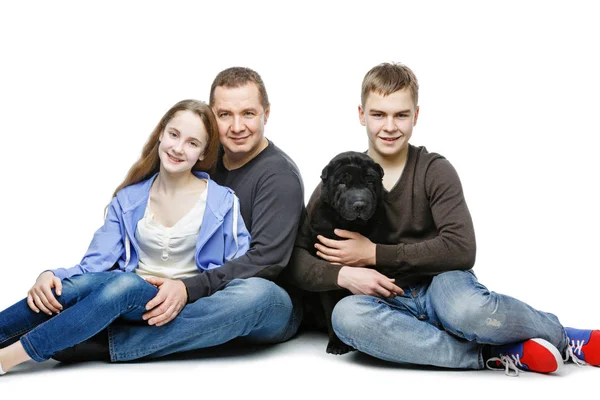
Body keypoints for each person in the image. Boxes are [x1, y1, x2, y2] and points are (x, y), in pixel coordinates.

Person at [286, 62, 599, 376]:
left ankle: (565, 338)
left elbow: (461, 248)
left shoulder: (434, 170)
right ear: (361, 114)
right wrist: (342, 276)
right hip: (382, 300)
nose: (390, 126)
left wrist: (373, 253)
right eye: (379, 114)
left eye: (401, 115)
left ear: (416, 116)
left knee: (468, 311)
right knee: (347, 319)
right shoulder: (337, 180)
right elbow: (297, 260)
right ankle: (492, 353)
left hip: (442, 284)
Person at [51, 66, 305, 363]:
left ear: (266, 113)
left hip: (262, 304)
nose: (237, 126)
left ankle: (110, 343)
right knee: (126, 286)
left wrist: (188, 288)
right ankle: (148, 316)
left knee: (256, 295)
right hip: (189, 289)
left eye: (248, 113)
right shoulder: (198, 153)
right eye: (225, 115)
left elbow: (266, 262)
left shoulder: (278, 176)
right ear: (212, 117)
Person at [0, 99, 251, 374]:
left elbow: (239, 267)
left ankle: (7, 358)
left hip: (182, 302)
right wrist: (51, 275)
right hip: (128, 298)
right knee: (70, 288)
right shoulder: (129, 199)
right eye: (174, 135)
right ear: (161, 134)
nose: (178, 148)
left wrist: (192, 288)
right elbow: (93, 266)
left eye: (192, 143)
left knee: (125, 283)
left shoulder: (223, 202)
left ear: (204, 152)